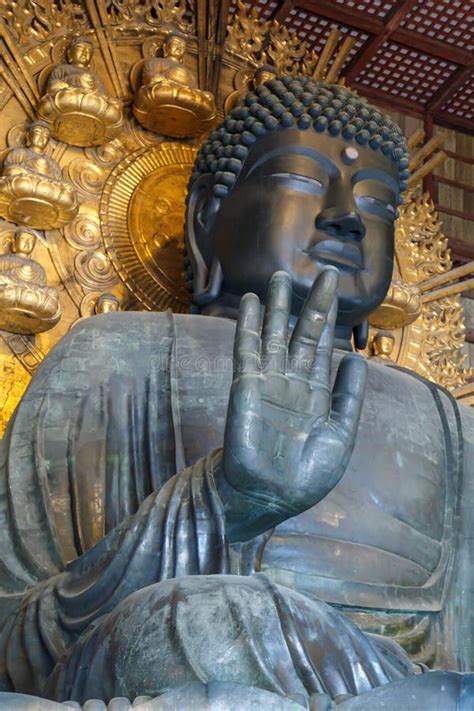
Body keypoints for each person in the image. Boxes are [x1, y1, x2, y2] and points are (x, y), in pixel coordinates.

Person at [1, 75, 473, 708]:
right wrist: (224, 502)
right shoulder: (111, 352)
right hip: (170, 657)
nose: (346, 218)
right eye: (305, 180)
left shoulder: (451, 424)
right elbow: (14, 644)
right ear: (206, 219)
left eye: (379, 204)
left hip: (396, 690)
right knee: (207, 619)